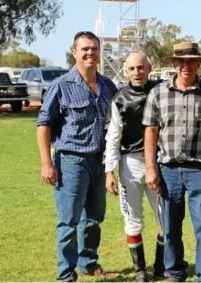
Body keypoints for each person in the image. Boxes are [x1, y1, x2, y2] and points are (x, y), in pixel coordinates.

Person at [36, 31, 119, 281]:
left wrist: (110, 166)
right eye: (84, 49)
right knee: (69, 221)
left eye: (94, 48)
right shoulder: (61, 85)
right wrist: (46, 163)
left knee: (94, 218)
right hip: (71, 160)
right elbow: (43, 123)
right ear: (75, 53)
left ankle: (88, 263)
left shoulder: (108, 86)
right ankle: (65, 275)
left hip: (99, 161)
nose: (90, 53)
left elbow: (114, 125)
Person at [142, 42, 201, 282]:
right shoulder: (158, 93)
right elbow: (151, 131)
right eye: (182, 61)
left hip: (200, 168)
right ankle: (174, 272)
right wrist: (150, 167)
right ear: (174, 63)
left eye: (192, 61)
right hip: (168, 169)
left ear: (199, 63)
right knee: (170, 227)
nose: (187, 66)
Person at [104, 52, 164, 282]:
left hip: (158, 163)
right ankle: (140, 271)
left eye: (141, 68)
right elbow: (113, 137)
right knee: (133, 219)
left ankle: (161, 267)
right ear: (125, 71)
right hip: (130, 164)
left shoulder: (161, 92)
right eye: (131, 69)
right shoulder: (119, 99)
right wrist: (109, 171)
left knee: (164, 218)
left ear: (150, 68)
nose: (137, 73)